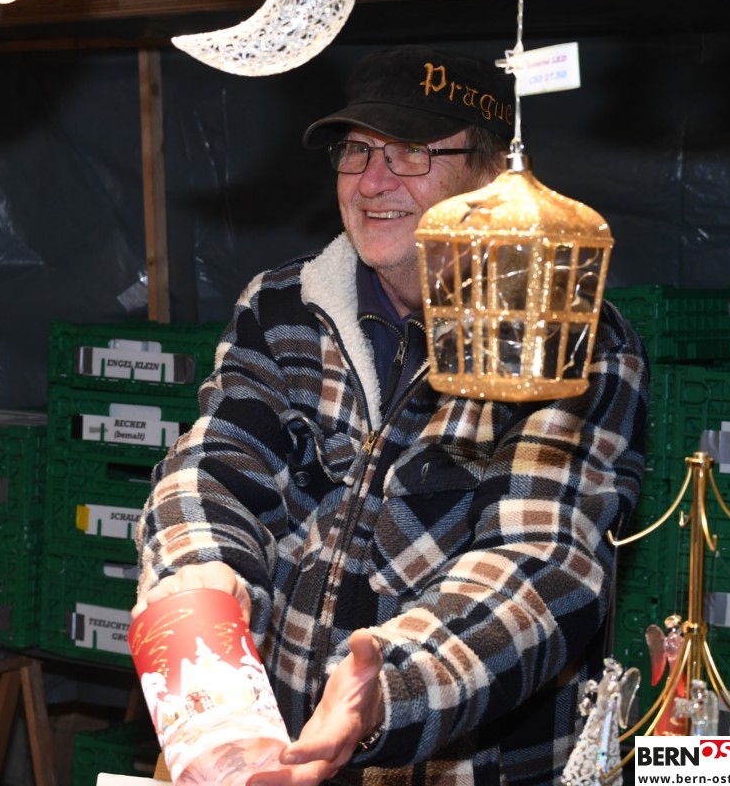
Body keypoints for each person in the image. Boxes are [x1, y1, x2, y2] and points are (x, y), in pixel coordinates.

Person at [132, 45, 648, 785]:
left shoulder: (566, 337)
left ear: (492, 171)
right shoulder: (282, 308)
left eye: (411, 152)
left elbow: (540, 565)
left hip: (464, 768)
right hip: (278, 753)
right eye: (357, 150)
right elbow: (217, 467)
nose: (373, 181)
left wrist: (389, 689)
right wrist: (200, 574)